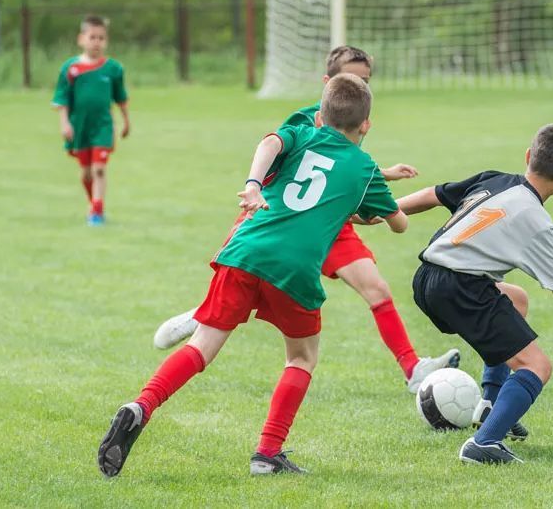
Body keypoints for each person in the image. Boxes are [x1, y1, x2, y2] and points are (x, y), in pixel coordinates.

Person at [97, 74, 408, 477]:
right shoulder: (366, 168)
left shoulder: (301, 132)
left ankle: (141, 405)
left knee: (202, 345)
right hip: (293, 270)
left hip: (245, 249)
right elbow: (397, 223)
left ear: (320, 115)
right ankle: (267, 453)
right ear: (366, 125)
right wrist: (371, 211)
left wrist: (253, 184)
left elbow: (269, 143)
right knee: (301, 356)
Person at [153, 46, 458, 392]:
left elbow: (346, 172)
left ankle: (412, 368)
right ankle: (202, 316)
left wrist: (385, 174)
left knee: (377, 289)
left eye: (366, 80)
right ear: (328, 82)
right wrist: (252, 192)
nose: (361, 86)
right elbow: (283, 160)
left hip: (331, 223)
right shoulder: (306, 120)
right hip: (289, 222)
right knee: (276, 315)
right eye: (352, 79)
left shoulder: (353, 116)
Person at [396, 123, 553, 464]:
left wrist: (386, 209)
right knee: (537, 366)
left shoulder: (494, 179)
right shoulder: (537, 222)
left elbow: (433, 194)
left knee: (515, 299)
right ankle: (483, 444)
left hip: (426, 279)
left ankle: (491, 403)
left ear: (528, 156)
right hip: (459, 288)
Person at [51, 15, 130, 226]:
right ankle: (93, 202)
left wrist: (126, 121)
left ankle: (97, 209)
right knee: (86, 172)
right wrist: (65, 123)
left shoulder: (113, 69)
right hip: (80, 127)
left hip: (103, 125)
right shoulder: (71, 68)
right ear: (81, 39)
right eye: (92, 37)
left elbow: (120, 97)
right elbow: (62, 98)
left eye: (101, 38)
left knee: (99, 168)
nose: (96, 42)